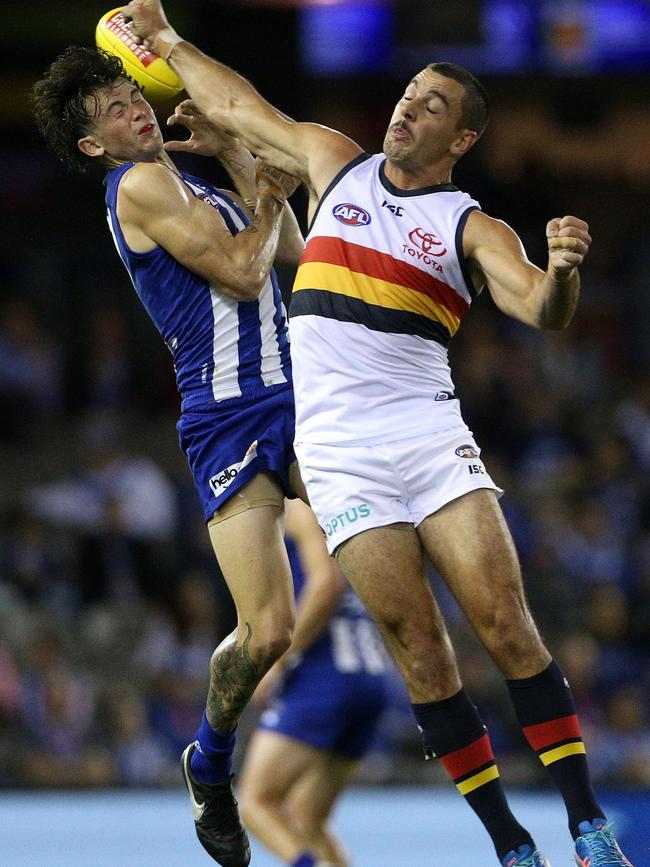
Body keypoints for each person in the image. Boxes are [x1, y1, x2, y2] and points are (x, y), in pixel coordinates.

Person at [124, 7, 633, 866]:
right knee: (418, 649)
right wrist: (169, 41)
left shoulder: (474, 226)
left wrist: (567, 274)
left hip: (426, 432)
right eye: (407, 93)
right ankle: (511, 842)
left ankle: (588, 826)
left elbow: (541, 309)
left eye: (432, 105)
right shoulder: (336, 164)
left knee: (506, 625)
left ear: (461, 138)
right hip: (338, 449)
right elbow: (246, 111)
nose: (408, 108)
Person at [32, 45, 308, 867]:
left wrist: (233, 157)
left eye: (132, 94)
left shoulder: (188, 183)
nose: (136, 109)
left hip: (297, 397)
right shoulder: (140, 185)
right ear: (93, 146)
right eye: (113, 109)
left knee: (375, 535)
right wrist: (261, 192)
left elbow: (287, 246)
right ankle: (210, 764)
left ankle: (433, 701)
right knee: (267, 633)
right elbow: (244, 270)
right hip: (225, 412)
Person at [238, 498, 391, 867]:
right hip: (369, 677)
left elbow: (324, 584)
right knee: (308, 818)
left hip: (324, 677)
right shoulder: (346, 503)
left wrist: (278, 660)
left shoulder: (298, 506)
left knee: (256, 803)